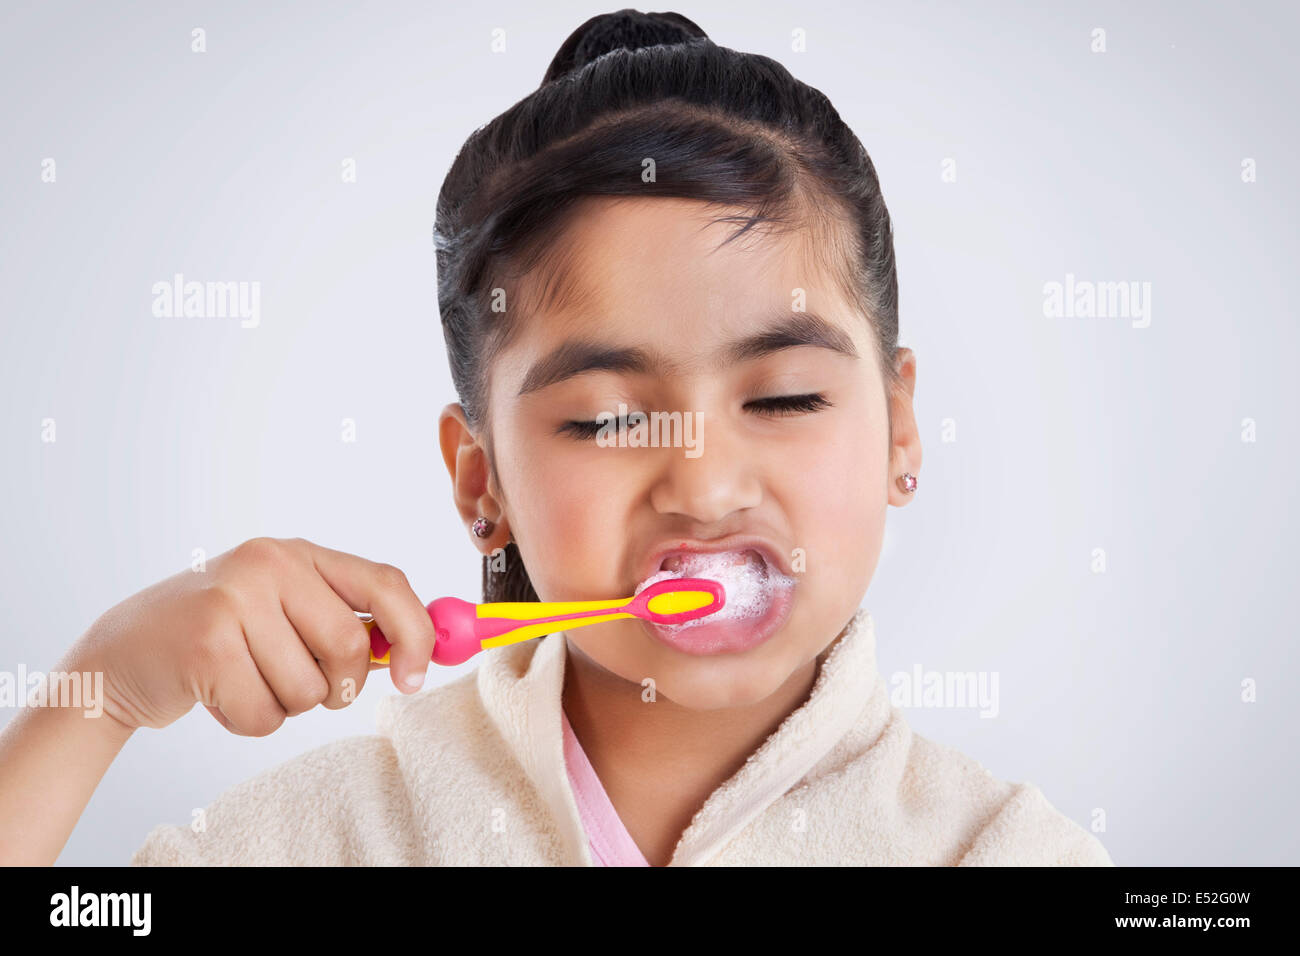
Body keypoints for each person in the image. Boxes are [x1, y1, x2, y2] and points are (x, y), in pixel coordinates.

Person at [0, 8, 1113, 867]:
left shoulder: (1001, 854)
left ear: (899, 426)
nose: (707, 482)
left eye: (781, 399)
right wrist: (102, 688)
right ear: (478, 480)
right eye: (605, 419)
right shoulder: (323, 840)